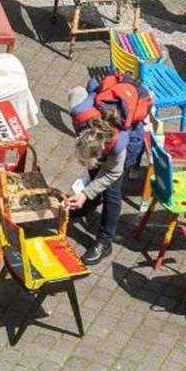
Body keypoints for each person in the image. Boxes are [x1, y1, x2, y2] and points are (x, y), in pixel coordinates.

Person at [62, 85, 145, 266]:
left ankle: (105, 242)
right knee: (94, 174)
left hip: (131, 137)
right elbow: (76, 91)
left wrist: (85, 192)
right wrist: (87, 192)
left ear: (102, 150)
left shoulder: (118, 146)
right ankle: (88, 202)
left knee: (112, 193)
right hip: (100, 137)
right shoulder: (80, 114)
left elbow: (111, 173)